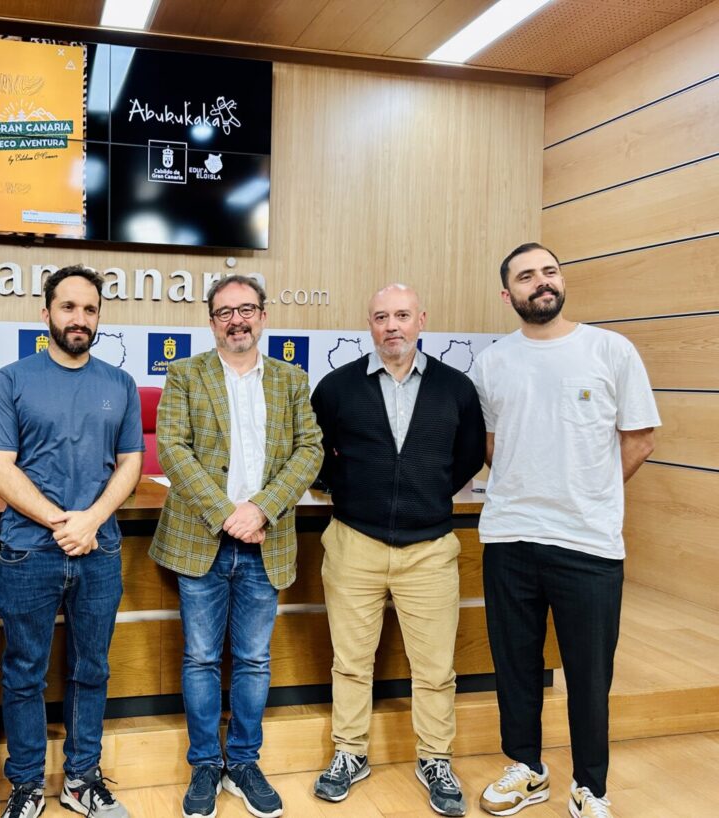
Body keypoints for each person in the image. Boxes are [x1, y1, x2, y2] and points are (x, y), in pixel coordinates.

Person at [472, 243, 659, 818]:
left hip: (588, 543)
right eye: (526, 277)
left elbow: (640, 438)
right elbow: (491, 448)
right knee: (515, 663)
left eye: (549, 271)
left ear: (562, 280)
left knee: (588, 670)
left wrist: (590, 489)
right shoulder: (492, 363)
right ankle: (527, 768)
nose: (541, 283)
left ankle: (589, 786)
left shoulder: (610, 350)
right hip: (509, 537)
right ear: (509, 295)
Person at [150, 274, 323, 818]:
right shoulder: (184, 374)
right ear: (211, 322)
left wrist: (260, 509)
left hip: (266, 542)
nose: (237, 320)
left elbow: (309, 450)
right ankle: (205, 763)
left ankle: (244, 762)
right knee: (200, 657)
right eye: (225, 312)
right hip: (201, 540)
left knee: (252, 659)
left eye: (246, 309)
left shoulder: (292, 380)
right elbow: (173, 451)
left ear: (264, 316)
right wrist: (229, 515)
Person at [309, 284, 485, 816]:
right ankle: (350, 753)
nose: (393, 326)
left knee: (434, 667)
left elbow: (469, 456)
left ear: (421, 320)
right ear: (369, 325)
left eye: (402, 316)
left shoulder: (456, 388)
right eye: (382, 317)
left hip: (429, 548)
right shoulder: (337, 387)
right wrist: (356, 493)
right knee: (351, 662)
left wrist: (424, 496)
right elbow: (313, 457)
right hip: (354, 543)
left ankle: (434, 758)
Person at [0, 265, 143, 818]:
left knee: (90, 668)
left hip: (100, 550)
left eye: (90, 309)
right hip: (29, 550)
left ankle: (80, 779)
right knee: (25, 670)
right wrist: (61, 522)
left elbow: (131, 463)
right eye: (68, 307)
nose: (80, 319)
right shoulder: (11, 380)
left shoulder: (118, 384)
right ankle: (25, 784)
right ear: (44, 312)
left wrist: (91, 520)